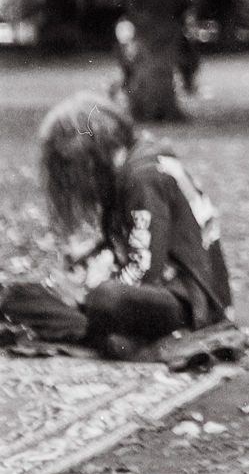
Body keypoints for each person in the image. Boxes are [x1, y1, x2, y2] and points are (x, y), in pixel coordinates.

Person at [0, 92, 233, 359]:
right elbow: (131, 248)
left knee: (106, 299)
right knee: (14, 294)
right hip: (164, 298)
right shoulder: (136, 165)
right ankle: (112, 337)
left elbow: (145, 272)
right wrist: (86, 267)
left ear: (88, 159)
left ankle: (104, 334)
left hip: (190, 306)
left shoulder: (143, 178)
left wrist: (84, 291)